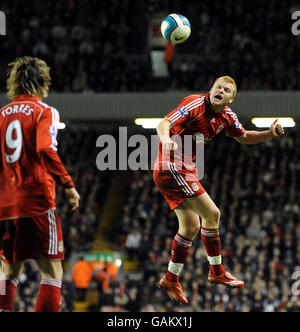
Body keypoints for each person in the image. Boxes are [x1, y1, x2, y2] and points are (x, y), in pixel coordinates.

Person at [153, 76, 285, 304]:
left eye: (226, 90)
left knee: (191, 226)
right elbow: (164, 123)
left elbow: (244, 137)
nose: (220, 91)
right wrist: (165, 139)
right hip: (172, 166)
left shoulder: (226, 117)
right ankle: (217, 271)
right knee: (212, 214)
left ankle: (171, 278)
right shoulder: (194, 104)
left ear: (230, 99)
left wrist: (269, 134)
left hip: (184, 170)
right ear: (211, 90)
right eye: (217, 87)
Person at [0, 56, 80, 312]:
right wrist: (67, 183)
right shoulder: (44, 111)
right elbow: (45, 148)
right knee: (52, 270)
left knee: (9, 269)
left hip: (5, 203)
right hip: (36, 200)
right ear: (42, 81)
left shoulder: (1, 114)